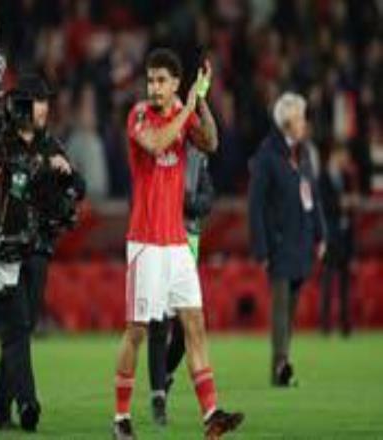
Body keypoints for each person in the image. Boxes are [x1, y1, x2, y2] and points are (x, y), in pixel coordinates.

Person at [112, 48, 244, 440]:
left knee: (194, 326)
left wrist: (200, 101)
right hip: (146, 242)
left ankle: (211, 415)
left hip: (177, 243)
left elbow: (212, 142)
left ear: (175, 84)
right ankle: (121, 418)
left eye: (161, 81)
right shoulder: (138, 115)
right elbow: (156, 144)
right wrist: (186, 108)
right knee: (137, 331)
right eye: (150, 80)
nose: (153, 88)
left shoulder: (183, 116)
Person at [0, 74, 79, 432]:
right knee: (15, 327)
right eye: (37, 101)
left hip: (39, 247)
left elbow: (79, 187)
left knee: (22, 329)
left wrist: (68, 174)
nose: (43, 108)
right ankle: (28, 403)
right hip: (4, 246)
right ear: (19, 105)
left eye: (45, 101)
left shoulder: (51, 145)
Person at [248, 92, 327, 387]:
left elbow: (312, 197)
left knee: (290, 311)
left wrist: (320, 234)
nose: (304, 123)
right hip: (279, 244)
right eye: (300, 118)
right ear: (287, 122)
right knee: (281, 310)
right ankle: (281, 365)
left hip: (300, 241)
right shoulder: (267, 156)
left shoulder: (302, 154)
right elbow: (255, 205)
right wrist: (261, 248)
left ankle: (280, 369)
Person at [147, 149, 215, 426]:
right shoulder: (154, 148)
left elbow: (207, 199)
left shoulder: (197, 158)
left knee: (186, 327)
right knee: (159, 322)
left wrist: (188, 202)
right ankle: (158, 395)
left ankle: (163, 376)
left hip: (187, 242)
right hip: (157, 240)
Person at [318, 145, 354, 336]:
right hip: (330, 236)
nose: (346, 160)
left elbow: (349, 205)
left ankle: (345, 324)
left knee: (345, 283)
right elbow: (323, 205)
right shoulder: (323, 178)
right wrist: (340, 203)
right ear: (335, 155)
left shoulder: (346, 178)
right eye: (344, 156)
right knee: (328, 280)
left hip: (345, 236)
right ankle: (325, 325)